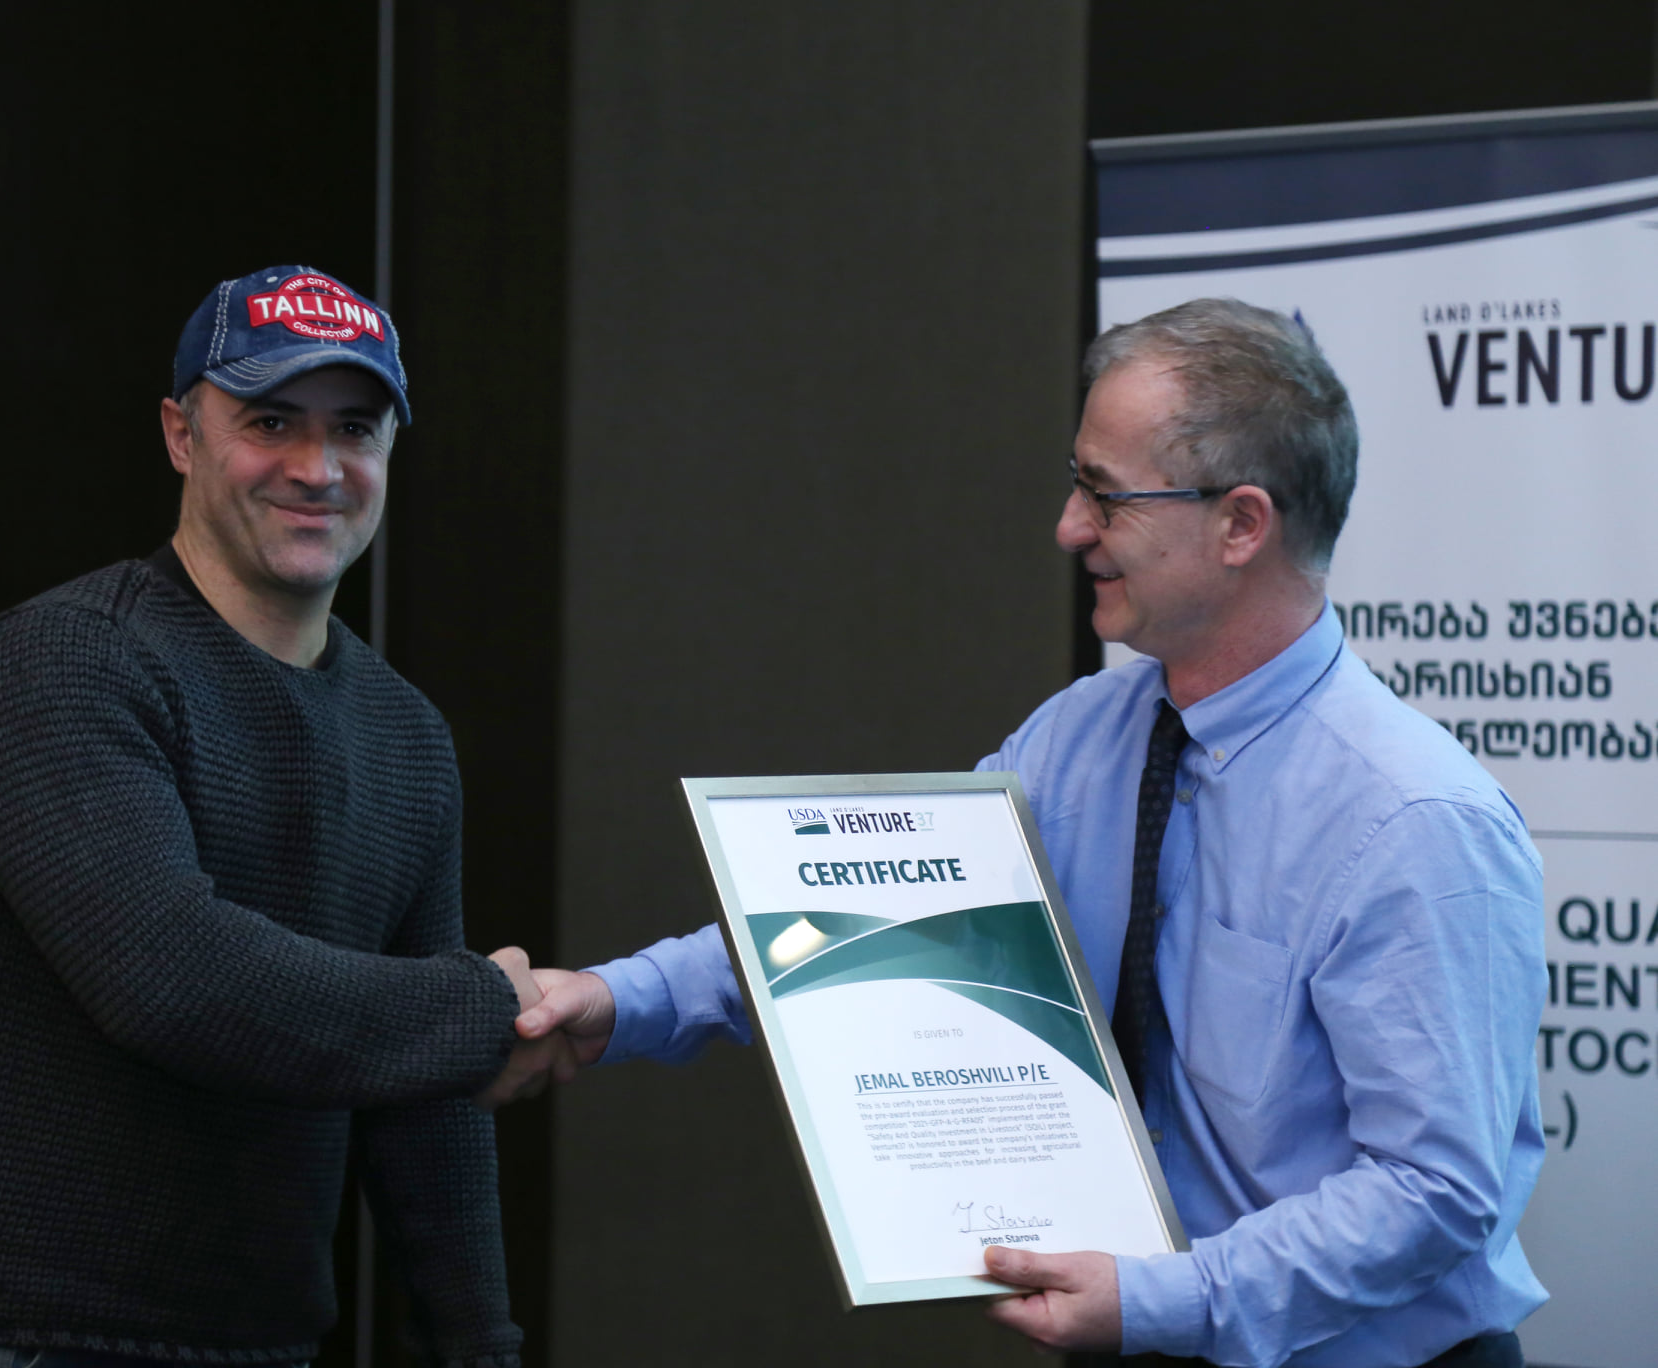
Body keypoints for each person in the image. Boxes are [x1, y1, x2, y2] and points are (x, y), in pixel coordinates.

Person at [503, 299, 1548, 1368]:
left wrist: (1166, 1300)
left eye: (1106, 493)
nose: (1069, 527)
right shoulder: (1077, 738)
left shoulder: (1416, 822)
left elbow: (1433, 1191)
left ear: (1242, 525)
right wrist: (618, 999)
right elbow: (880, 920)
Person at [0, 265, 570, 1368]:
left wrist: (478, 1345)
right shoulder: (60, 661)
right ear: (180, 435)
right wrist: (480, 1007)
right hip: (12, 1341)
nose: (317, 467)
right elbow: (171, 977)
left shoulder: (407, 735)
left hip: (262, 1341)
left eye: (355, 429)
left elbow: (424, 1094)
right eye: (271, 422)